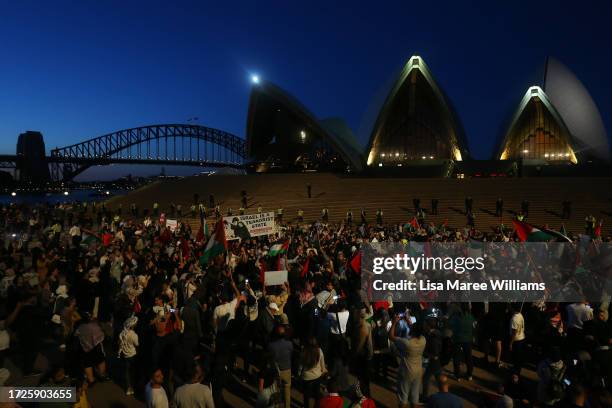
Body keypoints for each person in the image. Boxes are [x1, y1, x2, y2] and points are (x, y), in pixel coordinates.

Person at [390, 314, 426, 408]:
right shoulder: (423, 340)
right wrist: (408, 321)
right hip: (418, 370)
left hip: (406, 371)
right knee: (415, 398)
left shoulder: (406, 343)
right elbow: (416, 331)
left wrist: (394, 323)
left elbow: (391, 336)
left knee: (403, 398)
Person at [268, 325, 293, 408]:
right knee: (287, 391)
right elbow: (291, 354)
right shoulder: (289, 344)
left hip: (276, 370)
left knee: (275, 391)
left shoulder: (271, 345)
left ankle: (276, 406)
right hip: (286, 370)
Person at [449, 303, 475, 381]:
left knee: (456, 357)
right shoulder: (471, 317)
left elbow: (451, 326)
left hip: (457, 339)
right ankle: (469, 374)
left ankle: (457, 375)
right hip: (468, 340)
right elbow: (474, 328)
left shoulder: (456, 317)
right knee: (468, 357)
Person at [300, 337, 327, 408]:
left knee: (306, 395)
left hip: (306, 377)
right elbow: (322, 364)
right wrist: (324, 371)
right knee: (317, 394)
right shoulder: (319, 351)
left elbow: (300, 366)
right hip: (317, 376)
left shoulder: (304, 351)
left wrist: (299, 375)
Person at [118, 316, 139, 395]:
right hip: (132, 355)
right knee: (132, 372)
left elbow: (119, 343)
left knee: (126, 372)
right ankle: (133, 387)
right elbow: (137, 344)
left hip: (125, 355)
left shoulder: (122, 333)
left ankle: (128, 388)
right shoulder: (134, 335)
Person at [509, 303, 526, 375]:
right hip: (522, 337)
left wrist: (511, 343)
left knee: (516, 358)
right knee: (519, 358)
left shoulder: (514, 318)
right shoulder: (520, 315)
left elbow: (514, 332)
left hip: (516, 340)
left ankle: (515, 373)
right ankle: (517, 370)